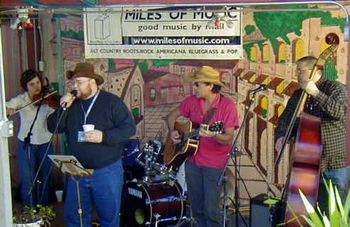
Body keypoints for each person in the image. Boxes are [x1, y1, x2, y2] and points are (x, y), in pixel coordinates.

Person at [47, 62, 136, 227]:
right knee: (76, 218)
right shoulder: (71, 104)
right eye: (73, 82)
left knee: (109, 218)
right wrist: (62, 107)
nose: (75, 86)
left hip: (106, 171)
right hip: (78, 171)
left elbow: (129, 128)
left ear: (92, 82)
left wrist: (104, 136)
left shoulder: (111, 102)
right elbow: (53, 127)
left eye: (79, 82)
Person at [167, 66, 239, 226]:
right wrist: (173, 131)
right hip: (192, 162)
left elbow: (228, 137)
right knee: (196, 207)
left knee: (211, 210)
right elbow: (172, 115)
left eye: (197, 84)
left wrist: (214, 134)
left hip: (214, 165)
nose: (194, 88)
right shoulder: (191, 102)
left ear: (210, 86)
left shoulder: (227, 106)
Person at [274, 56, 348, 210]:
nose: (297, 74)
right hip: (307, 164)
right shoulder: (298, 95)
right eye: (297, 71)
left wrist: (315, 93)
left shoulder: (335, 88)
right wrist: (280, 137)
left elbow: (340, 112)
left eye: (301, 71)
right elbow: (284, 120)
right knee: (306, 211)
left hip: (335, 162)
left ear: (316, 70)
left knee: (336, 211)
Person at [6, 69, 55, 207]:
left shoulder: (48, 97)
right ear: (26, 87)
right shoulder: (22, 100)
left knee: (44, 178)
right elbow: (8, 105)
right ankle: (30, 212)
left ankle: (44, 210)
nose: (36, 87)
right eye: (31, 84)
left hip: (46, 142)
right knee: (28, 179)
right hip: (27, 143)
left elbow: (57, 110)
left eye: (38, 82)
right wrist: (8, 109)